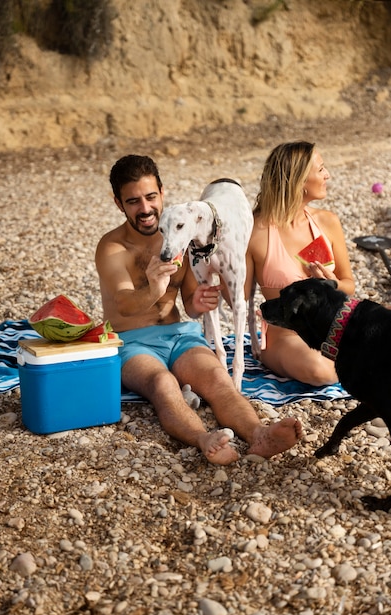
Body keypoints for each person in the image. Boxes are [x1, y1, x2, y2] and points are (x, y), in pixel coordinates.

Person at [95, 154, 302, 465]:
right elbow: (124, 306)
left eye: (151, 197)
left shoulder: (185, 235)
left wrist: (199, 302)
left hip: (179, 335)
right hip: (132, 342)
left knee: (218, 379)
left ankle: (260, 434)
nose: (146, 208)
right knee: (162, 383)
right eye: (133, 201)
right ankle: (204, 438)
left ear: (162, 193)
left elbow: (191, 304)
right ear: (118, 203)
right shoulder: (112, 247)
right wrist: (153, 289)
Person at [246, 141, 355, 386]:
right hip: (286, 335)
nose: (328, 175)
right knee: (320, 370)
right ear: (298, 181)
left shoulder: (327, 222)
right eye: (321, 170)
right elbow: (238, 298)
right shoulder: (254, 232)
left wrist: (333, 283)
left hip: (334, 326)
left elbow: (349, 285)